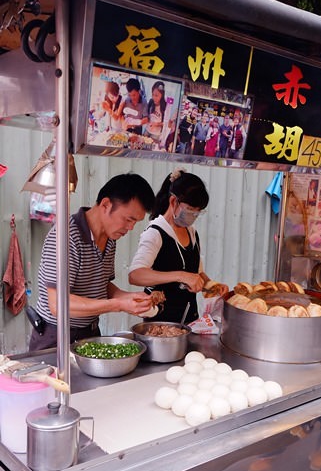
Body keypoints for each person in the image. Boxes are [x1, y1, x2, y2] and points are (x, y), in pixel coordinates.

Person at [29, 173, 157, 351]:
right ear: (105, 204)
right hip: (55, 336)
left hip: (90, 332)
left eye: (135, 222)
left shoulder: (110, 238)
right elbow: (58, 304)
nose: (130, 228)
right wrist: (118, 305)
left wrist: (129, 298)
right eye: (128, 219)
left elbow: (102, 285)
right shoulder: (66, 237)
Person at [129, 169, 228, 324]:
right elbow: (135, 275)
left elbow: (197, 273)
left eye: (198, 212)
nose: (193, 215)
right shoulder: (155, 232)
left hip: (189, 321)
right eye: (190, 210)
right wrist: (181, 275)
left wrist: (211, 286)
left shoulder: (192, 233)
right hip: (160, 326)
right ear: (173, 202)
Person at [145, 80, 166, 145]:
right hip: (147, 130)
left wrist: (156, 124)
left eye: (156, 95)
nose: (154, 97)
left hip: (156, 134)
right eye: (153, 94)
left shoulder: (164, 106)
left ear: (162, 95)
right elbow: (147, 114)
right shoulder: (151, 102)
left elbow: (166, 123)